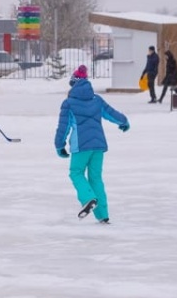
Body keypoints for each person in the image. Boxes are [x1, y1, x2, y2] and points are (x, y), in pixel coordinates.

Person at [54, 65, 130, 224]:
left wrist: (59, 145)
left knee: (76, 172)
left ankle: (88, 198)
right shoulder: (97, 100)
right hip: (98, 145)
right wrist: (123, 122)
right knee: (95, 178)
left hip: (80, 146)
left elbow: (63, 127)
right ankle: (103, 215)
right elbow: (112, 113)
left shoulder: (68, 103)